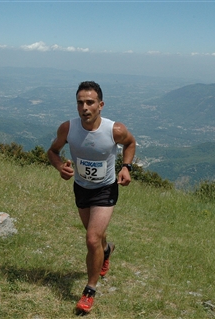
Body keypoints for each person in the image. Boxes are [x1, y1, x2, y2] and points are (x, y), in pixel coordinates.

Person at [47, 81, 136, 314]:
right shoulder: (68, 128)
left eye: (90, 102)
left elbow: (130, 143)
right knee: (97, 239)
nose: (84, 107)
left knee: (91, 239)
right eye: (80, 102)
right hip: (82, 188)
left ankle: (89, 289)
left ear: (101, 105)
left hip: (106, 189)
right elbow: (52, 151)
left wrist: (126, 167)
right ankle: (106, 252)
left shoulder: (114, 130)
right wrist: (60, 167)